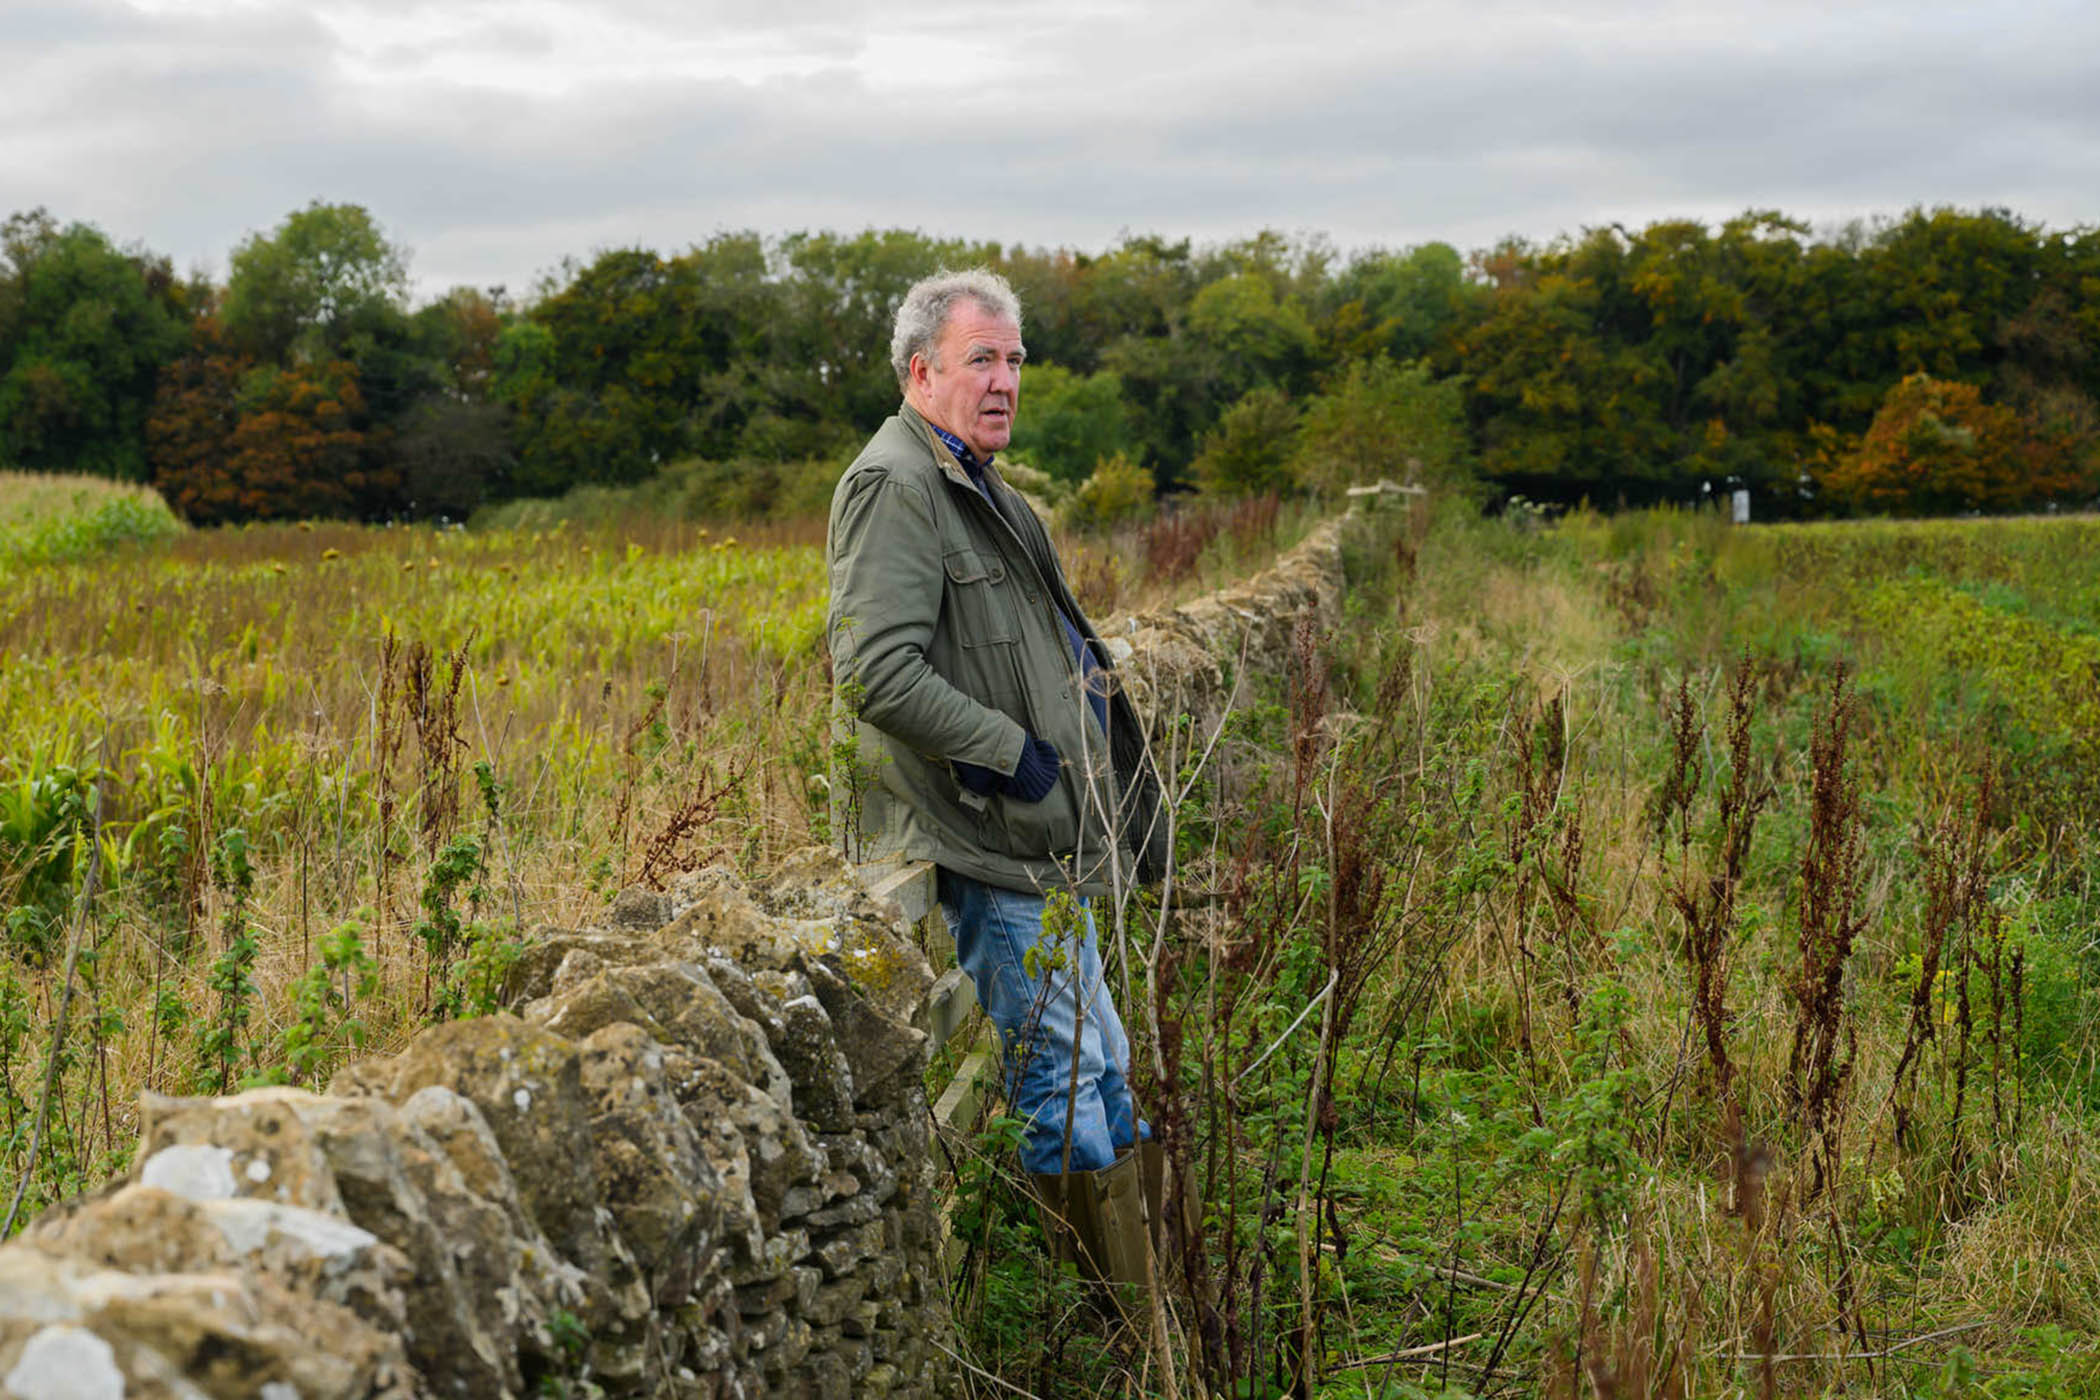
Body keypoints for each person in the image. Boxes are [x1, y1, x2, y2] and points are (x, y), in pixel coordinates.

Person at [824, 267, 1168, 1222]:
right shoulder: (894, 486)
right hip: (989, 833)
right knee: (1060, 1072)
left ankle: (1155, 1298)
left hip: (1042, 836)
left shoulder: (982, 486)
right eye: (983, 359)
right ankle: (1111, 1329)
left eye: (1015, 360)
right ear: (920, 370)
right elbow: (872, 671)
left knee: (1104, 1059)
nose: (1006, 380)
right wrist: (1011, 754)